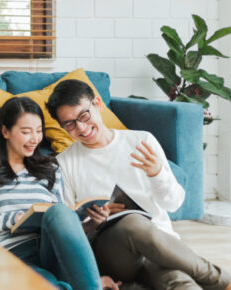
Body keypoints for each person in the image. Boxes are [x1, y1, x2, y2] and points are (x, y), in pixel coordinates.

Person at [46, 79, 231, 290]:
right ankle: (221, 281)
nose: (81, 127)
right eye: (69, 124)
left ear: (97, 104)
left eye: (83, 115)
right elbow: (67, 229)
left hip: (161, 249)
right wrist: (92, 223)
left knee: (181, 283)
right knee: (132, 222)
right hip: (112, 253)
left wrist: (158, 174)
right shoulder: (64, 163)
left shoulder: (142, 141)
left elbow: (174, 204)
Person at [0, 97, 121, 290]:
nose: (35, 139)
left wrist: (92, 223)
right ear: (5, 131)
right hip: (12, 254)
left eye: (38, 131)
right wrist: (17, 218)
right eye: (26, 132)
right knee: (48, 284)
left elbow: (62, 224)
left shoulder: (51, 167)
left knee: (59, 211)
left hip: (51, 250)